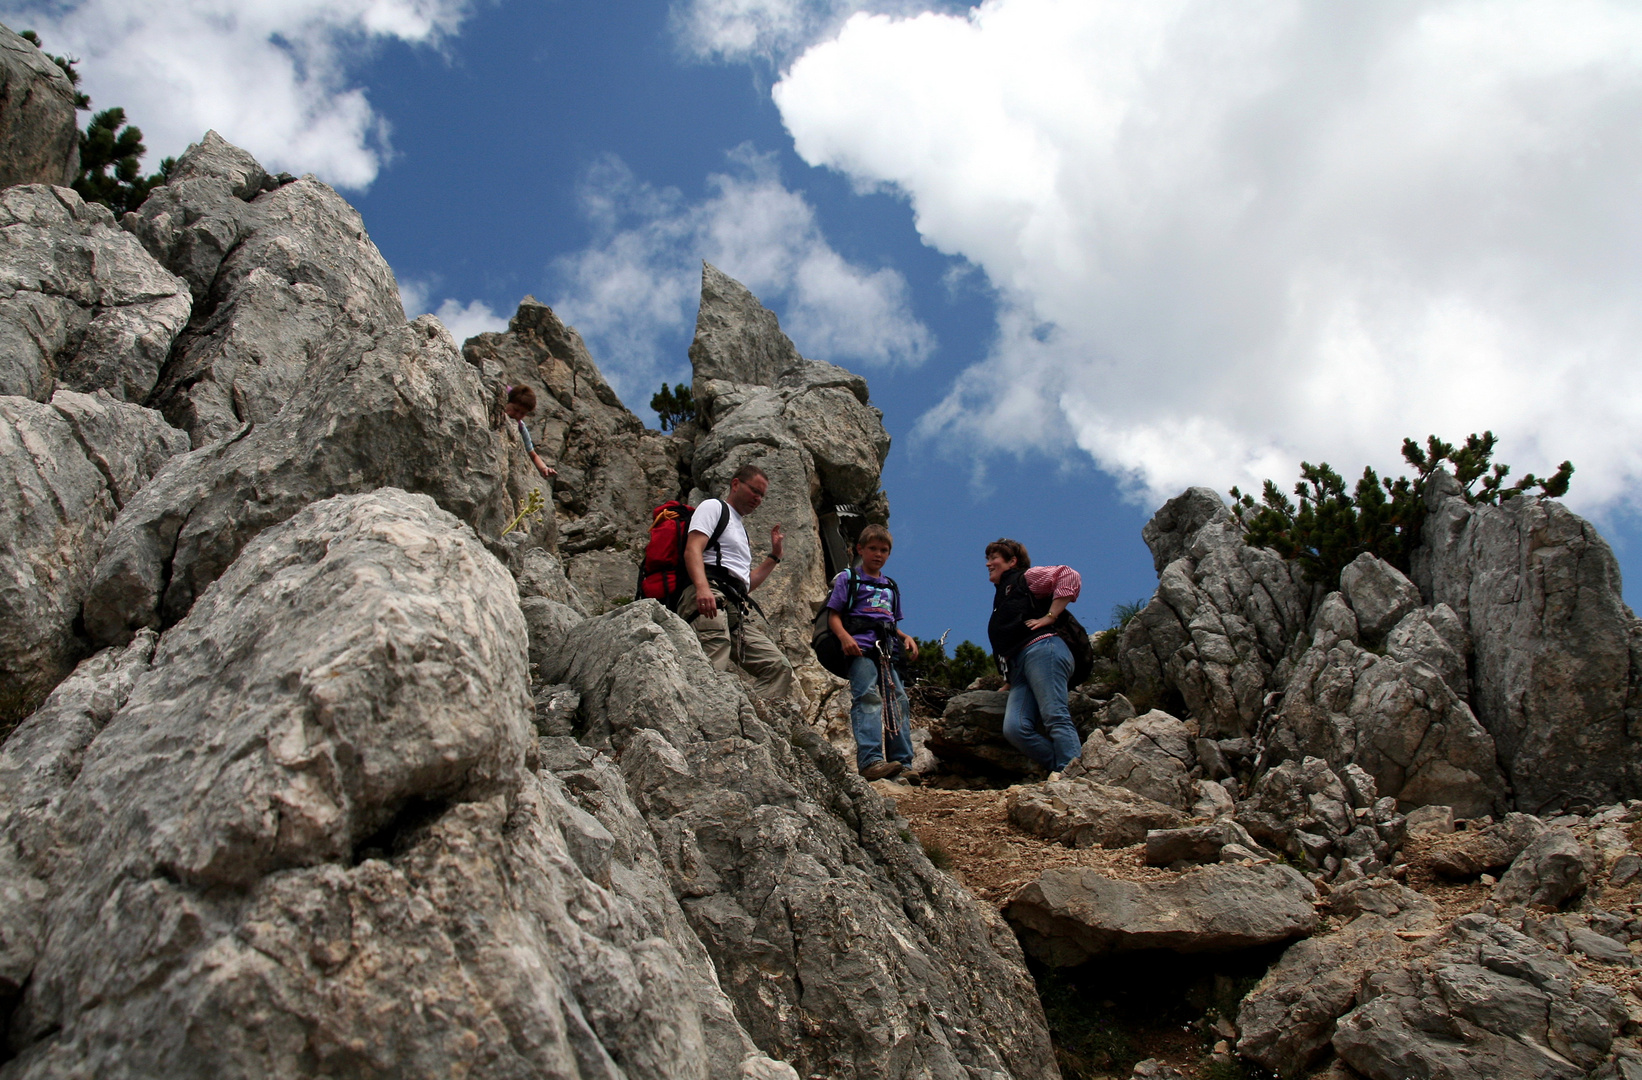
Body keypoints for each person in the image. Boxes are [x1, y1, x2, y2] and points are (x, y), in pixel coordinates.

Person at [677, 464, 795, 699]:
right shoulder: (713, 507)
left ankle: (742, 717)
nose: (758, 499)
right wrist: (702, 588)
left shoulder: (739, 528)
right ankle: (703, 717)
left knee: (779, 667)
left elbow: (745, 584)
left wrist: (774, 557)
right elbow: (693, 549)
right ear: (735, 484)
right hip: (710, 595)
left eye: (762, 495)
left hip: (734, 606)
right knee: (714, 655)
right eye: (755, 491)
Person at [825, 524, 921, 781]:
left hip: (888, 651)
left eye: (884, 550)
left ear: (889, 554)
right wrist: (845, 638)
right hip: (860, 648)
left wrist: (905, 637)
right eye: (872, 549)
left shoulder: (890, 586)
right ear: (860, 549)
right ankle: (871, 761)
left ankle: (903, 762)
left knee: (897, 700)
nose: (878, 554)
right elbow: (833, 616)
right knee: (867, 697)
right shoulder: (849, 578)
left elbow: (889, 622)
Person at [985, 538, 1083, 776]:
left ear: (1012, 561)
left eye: (994, 558)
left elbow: (1068, 575)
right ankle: (1064, 770)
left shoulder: (1025, 578)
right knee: (1015, 729)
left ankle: (1074, 775)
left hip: (1043, 650)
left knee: (1054, 715)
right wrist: (1008, 680)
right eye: (987, 559)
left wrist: (1051, 615)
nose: (988, 563)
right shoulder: (1002, 596)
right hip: (1020, 670)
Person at [503, 385, 557, 480]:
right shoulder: (498, 393)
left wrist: (544, 468)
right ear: (506, 400)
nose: (518, 415)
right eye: (515, 409)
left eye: (523, 414)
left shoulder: (520, 427)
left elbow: (533, 455)